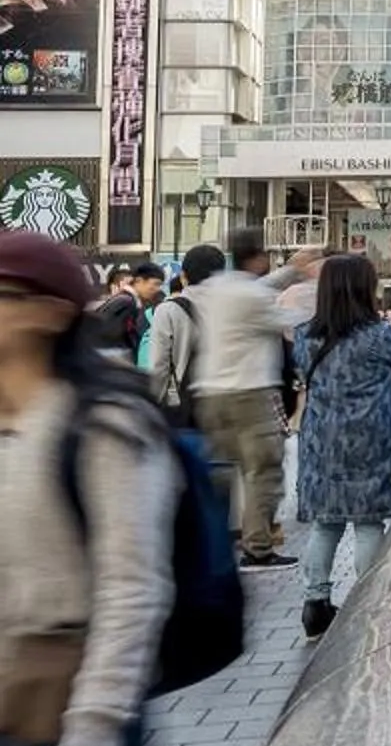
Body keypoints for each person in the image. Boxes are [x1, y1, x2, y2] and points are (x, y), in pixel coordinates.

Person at [0, 227, 180, 746]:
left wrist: (93, 728)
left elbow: (133, 585)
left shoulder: (105, 424)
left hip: (60, 715)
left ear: (50, 314)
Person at [290, 254, 391, 641]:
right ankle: (368, 601)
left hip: (321, 443)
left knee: (325, 523)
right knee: (368, 523)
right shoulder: (382, 336)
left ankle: (315, 605)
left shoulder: (305, 335)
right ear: (365, 290)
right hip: (371, 441)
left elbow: (301, 370)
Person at [186, 226, 302, 568]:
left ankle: (212, 542)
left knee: (220, 472)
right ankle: (258, 548)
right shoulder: (253, 298)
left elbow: (259, 287)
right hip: (250, 394)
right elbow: (289, 321)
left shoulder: (214, 288)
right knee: (261, 472)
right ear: (258, 257)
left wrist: (293, 269)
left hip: (209, 393)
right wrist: (313, 290)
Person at [139, 246, 223, 427]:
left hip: (186, 409)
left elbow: (158, 368)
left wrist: (152, 409)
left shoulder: (168, 310)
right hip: (227, 408)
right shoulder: (234, 308)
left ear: (183, 277)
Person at [83, 264, 162, 363]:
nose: (158, 289)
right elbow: (108, 340)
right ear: (139, 281)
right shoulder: (126, 302)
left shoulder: (127, 301)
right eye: (155, 284)